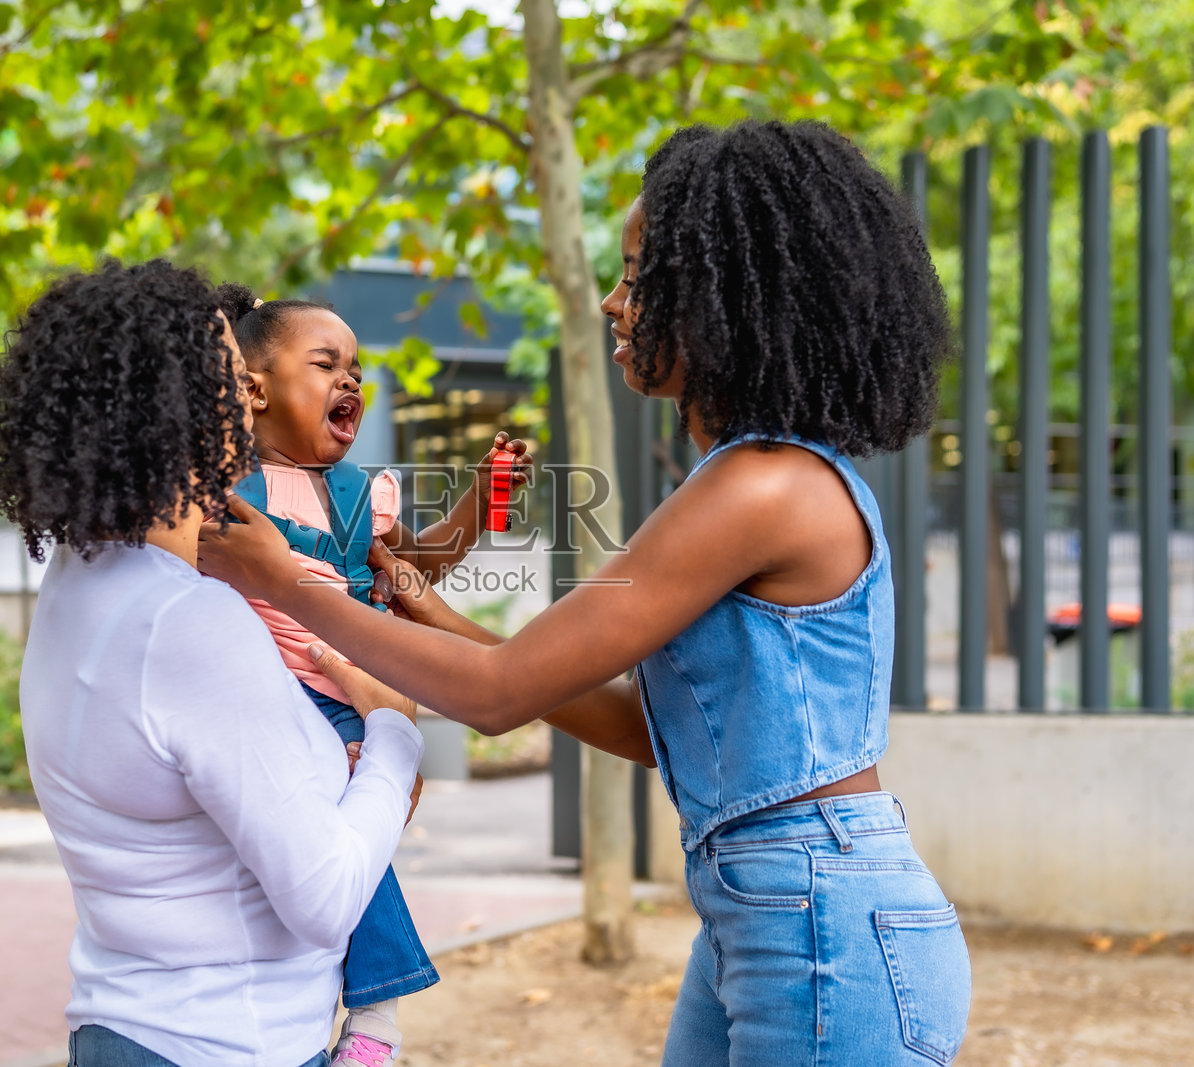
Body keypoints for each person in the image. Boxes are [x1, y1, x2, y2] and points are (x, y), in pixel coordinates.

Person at [198, 120, 973, 1066]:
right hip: (766, 902)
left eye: (640, 278)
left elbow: (499, 694)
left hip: (818, 912)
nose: (613, 302)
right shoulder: (754, 480)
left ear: (727, 298)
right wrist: (421, 606)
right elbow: (650, 727)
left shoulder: (761, 486)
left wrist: (288, 582)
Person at [0, 258, 425, 1067]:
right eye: (230, 373)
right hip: (226, 1044)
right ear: (167, 405)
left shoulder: (81, 576)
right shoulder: (188, 623)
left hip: (123, 1027)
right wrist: (395, 731)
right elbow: (324, 897)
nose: (250, 395)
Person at [208, 285, 528, 1065]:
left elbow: (415, 574)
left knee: (351, 850)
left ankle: (376, 1019)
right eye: (326, 364)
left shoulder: (359, 493)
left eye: (356, 368)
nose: (350, 380)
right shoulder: (222, 486)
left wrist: (480, 505)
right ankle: (358, 1010)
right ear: (252, 387)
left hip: (350, 700)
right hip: (267, 695)